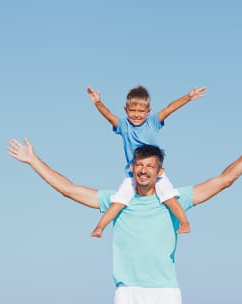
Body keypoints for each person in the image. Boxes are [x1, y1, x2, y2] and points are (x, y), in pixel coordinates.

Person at [7, 123, 242, 304]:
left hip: (166, 295)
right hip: (129, 295)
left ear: (160, 172)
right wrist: (33, 160)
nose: (143, 170)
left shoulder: (177, 199)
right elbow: (69, 189)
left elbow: (224, 180)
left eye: (150, 166)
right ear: (131, 169)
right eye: (139, 165)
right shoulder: (116, 200)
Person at [87, 85, 206, 237]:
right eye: (132, 111)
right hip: (133, 174)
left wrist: (188, 97)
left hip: (154, 173)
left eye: (141, 111)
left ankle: (184, 222)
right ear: (126, 110)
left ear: (148, 112)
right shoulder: (124, 126)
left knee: (169, 196)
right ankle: (99, 227)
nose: (137, 115)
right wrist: (98, 102)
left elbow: (169, 109)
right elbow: (109, 115)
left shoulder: (152, 122)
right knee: (119, 200)